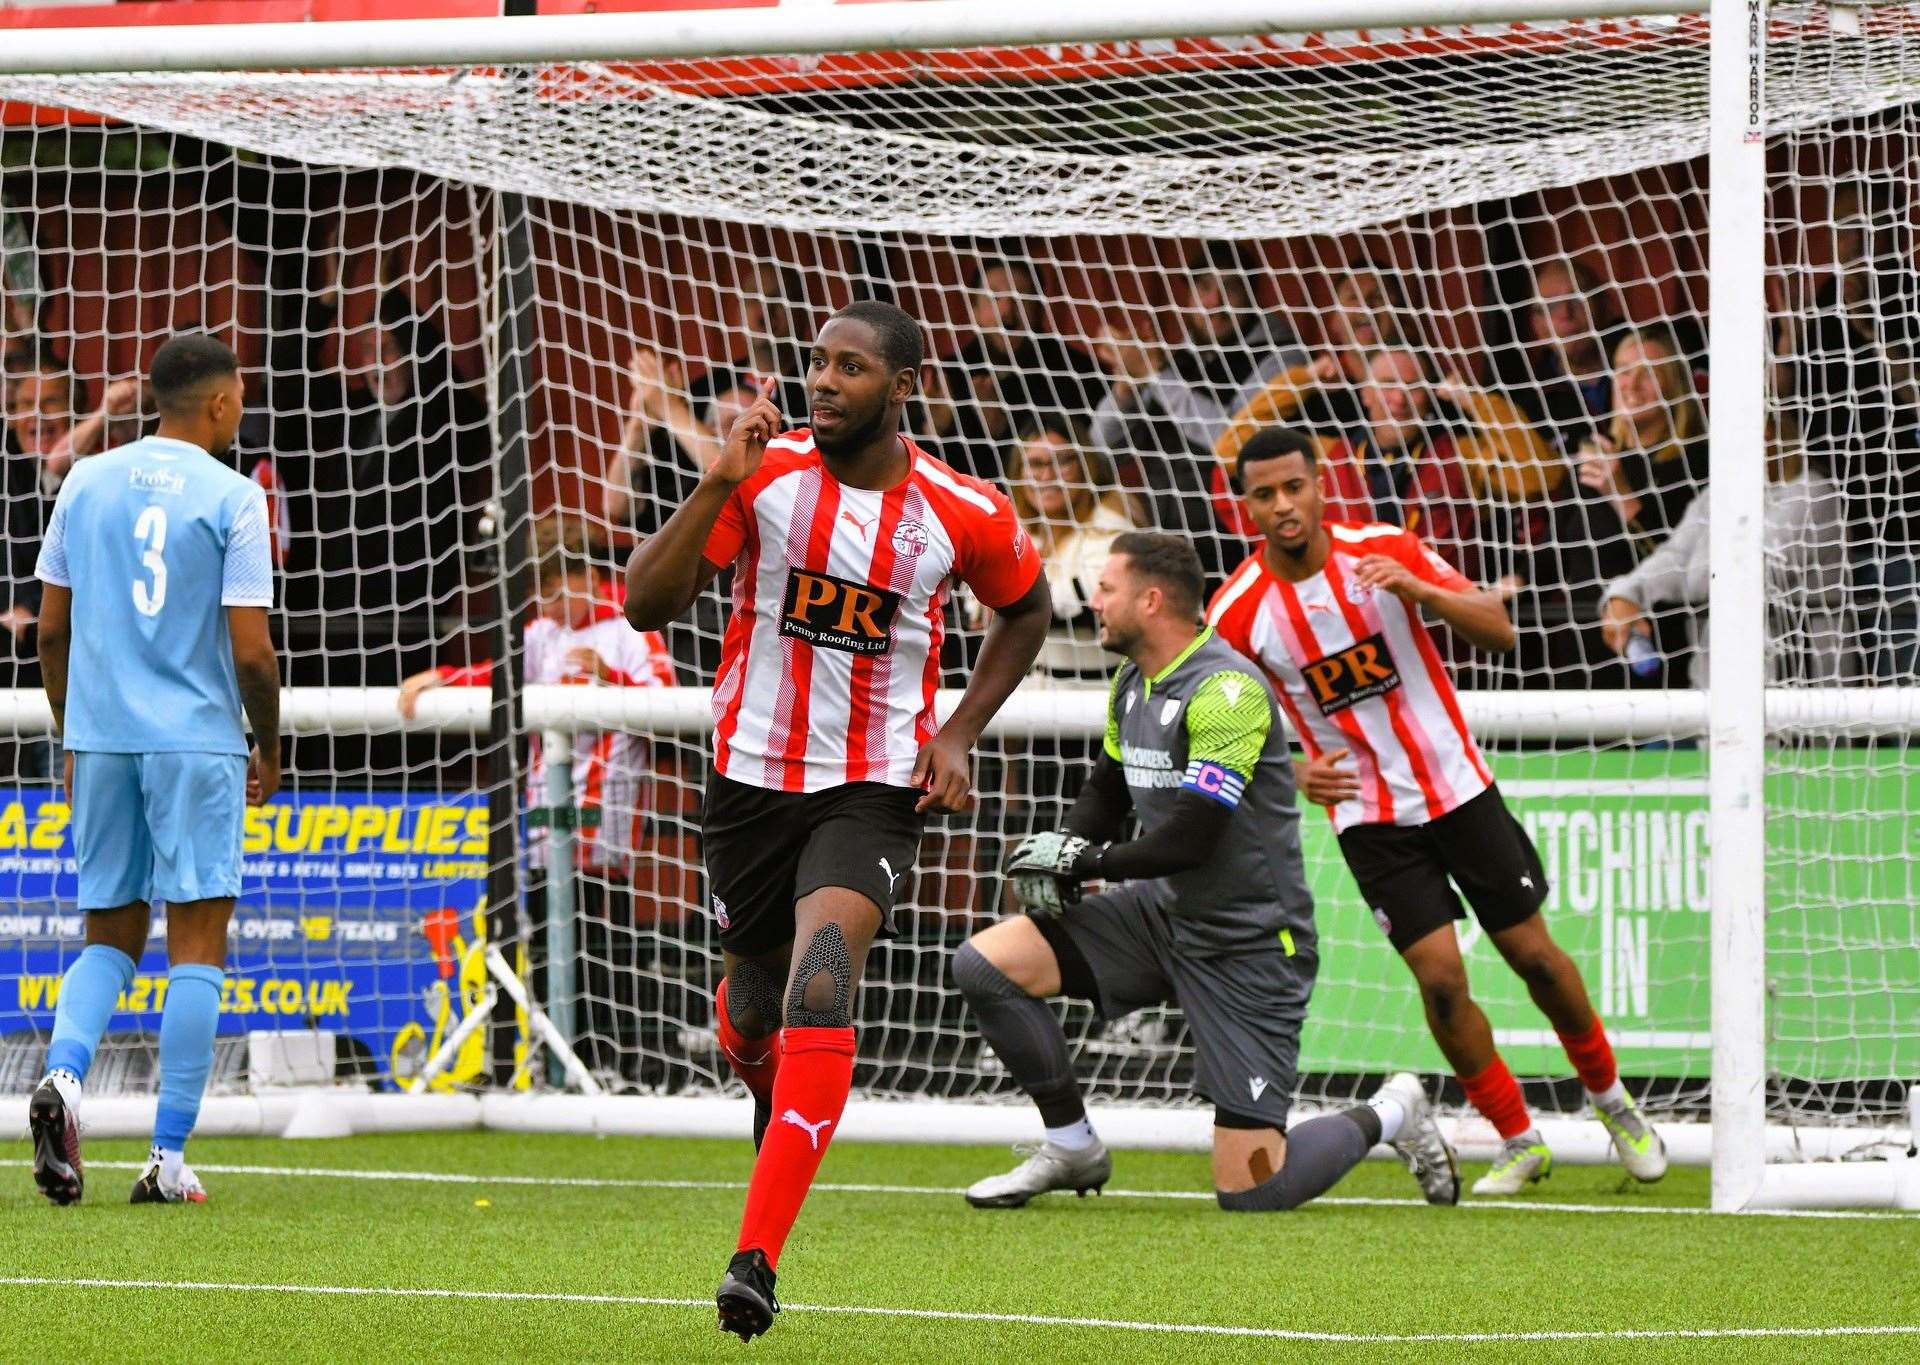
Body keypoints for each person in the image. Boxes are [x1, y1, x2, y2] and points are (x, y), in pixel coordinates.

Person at [622, 299, 1051, 1340]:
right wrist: (715, 479)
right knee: (758, 1003)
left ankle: (755, 1259)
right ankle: (770, 1085)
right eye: (818, 364)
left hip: (873, 790)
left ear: (903, 387)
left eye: (850, 368)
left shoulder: (962, 510)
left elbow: (1027, 609)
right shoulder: (762, 481)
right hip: (749, 785)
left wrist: (957, 734)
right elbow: (644, 603)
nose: (823, 382)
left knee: (824, 977)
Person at [1207, 427, 1667, 1196]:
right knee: (1443, 982)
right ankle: (1518, 1138)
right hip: (1371, 817)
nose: (1284, 506)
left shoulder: (1387, 546)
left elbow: (1499, 626)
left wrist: (1420, 593)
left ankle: (1612, 1100)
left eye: (1295, 486)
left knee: (1534, 957)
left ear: (1321, 483)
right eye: (1265, 495)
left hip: (1459, 789)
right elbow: (1219, 719)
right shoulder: (1239, 612)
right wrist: (1292, 769)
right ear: (1244, 503)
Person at [960, 531, 1459, 1213]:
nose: (1094, 601)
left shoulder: (1228, 689)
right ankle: (1073, 1144)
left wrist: (1085, 862)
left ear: (1153, 599)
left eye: (1106, 588)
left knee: (1254, 1189)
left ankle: (1394, 1109)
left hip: (1248, 944)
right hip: (1162, 914)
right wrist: (1066, 849)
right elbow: (1107, 791)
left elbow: (1193, 836)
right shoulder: (1133, 681)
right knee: (984, 963)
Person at [27, 332, 281, 1207]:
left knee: (108, 934)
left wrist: (73, 730)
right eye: (239, 394)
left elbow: (49, 632)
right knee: (197, 945)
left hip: (101, 739)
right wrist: (268, 739)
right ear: (218, 403)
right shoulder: (235, 497)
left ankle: (62, 1080)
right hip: (196, 741)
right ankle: (166, 1160)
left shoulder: (84, 481)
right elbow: (252, 653)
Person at [400, 544, 677, 1079]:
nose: (546, 608)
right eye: (540, 596)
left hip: (603, 820)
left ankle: (617, 1065)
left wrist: (611, 676)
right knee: (546, 943)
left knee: (603, 945)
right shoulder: (543, 634)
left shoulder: (633, 624)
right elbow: (498, 679)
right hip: (542, 814)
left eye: (552, 593)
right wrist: (442, 677)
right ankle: (553, 1063)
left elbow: (667, 704)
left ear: (587, 578)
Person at [1088, 244, 1307, 580]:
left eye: (1229, 289)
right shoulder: (1171, 362)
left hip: (1245, 547)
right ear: (1187, 297)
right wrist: (1126, 383)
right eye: (1204, 288)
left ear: (1252, 296)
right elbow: (1101, 449)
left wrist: (1153, 373)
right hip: (1168, 549)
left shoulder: (1282, 356)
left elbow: (1229, 439)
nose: (1214, 302)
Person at [1598, 421, 1851, 686]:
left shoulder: (1814, 494)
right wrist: (1625, 594)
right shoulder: (1714, 497)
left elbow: (1744, 576)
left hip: (1803, 688)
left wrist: (1689, 569)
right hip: (1717, 686)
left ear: (1776, 433)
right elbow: (1674, 556)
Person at [924, 258, 1107, 481]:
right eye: (994, 297)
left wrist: (1000, 429)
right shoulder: (949, 377)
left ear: (1039, 310)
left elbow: (1084, 467)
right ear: (974, 312)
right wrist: (935, 429)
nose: (1007, 311)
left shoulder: (1079, 374)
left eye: (1021, 298)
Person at [1000, 418, 1137, 683]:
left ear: (1086, 467)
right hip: (1030, 704)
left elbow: (1086, 603)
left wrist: (1004, 596)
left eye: (1062, 461)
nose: (1048, 475)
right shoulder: (1022, 536)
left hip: (1090, 701)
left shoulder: (1110, 532)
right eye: (1036, 464)